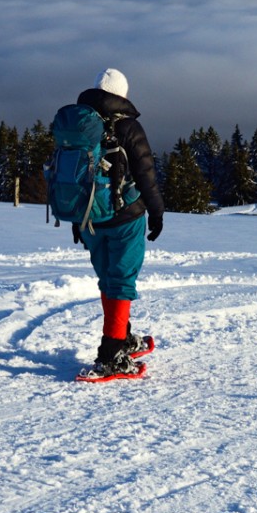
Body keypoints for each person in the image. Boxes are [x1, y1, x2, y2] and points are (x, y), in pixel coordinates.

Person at [72, 68, 165, 381]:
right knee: (121, 281)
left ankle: (121, 336)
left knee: (108, 279)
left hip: (89, 219)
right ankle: (112, 354)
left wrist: (77, 218)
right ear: (121, 95)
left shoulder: (78, 125)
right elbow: (146, 174)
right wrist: (157, 212)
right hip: (125, 217)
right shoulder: (127, 126)